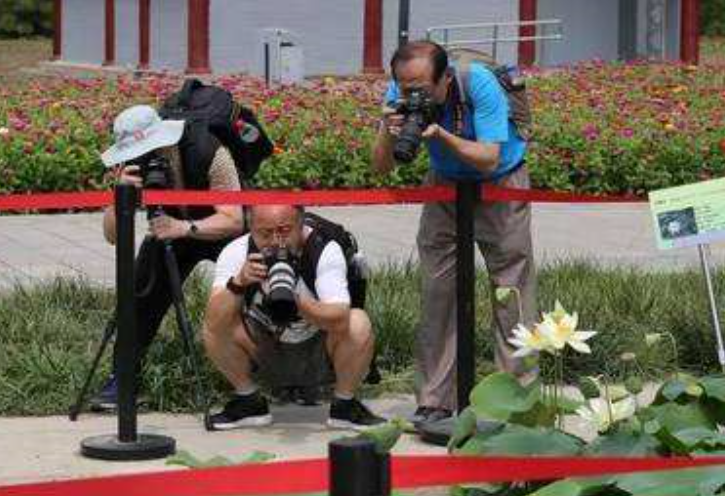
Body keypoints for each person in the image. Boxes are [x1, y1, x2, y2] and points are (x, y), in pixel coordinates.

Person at [371, 41, 537, 426]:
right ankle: (434, 400)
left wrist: (438, 135)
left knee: (511, 292)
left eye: (423, 89)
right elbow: (380, 168)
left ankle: (515, 401)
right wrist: (386, 130)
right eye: (405, 86)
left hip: (501, 182)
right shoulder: (400, 92)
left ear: (445, 78)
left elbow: (489, 155)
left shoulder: (478, 83)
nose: (413, 95)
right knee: (438, 292)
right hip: (444, 184)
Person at [91, 103, 245, 411]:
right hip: (168, 228)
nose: (149, 158)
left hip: (218, 229)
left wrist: (185, 227)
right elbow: (112, 235)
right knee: (140, 291)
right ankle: (123, 378)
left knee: (252, 285)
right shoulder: (131, 167)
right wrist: (119, 197)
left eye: (152, 150)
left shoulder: (209, 150)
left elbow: (234, 219)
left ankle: (264, 371)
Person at [203, 205, 384, 430]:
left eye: (284, 230)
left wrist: (297, 303)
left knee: (358, 322)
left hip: (318, 352)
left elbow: (339, 318)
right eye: (264, 233)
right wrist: (238, 283)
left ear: (301, 225)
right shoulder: (237, 252)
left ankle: (344, 407)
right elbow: (212, 322)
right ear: (251, 229)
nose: (275, 241)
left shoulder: (323, 249)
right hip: (264, 350)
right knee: (218, 323)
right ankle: (248, 402)